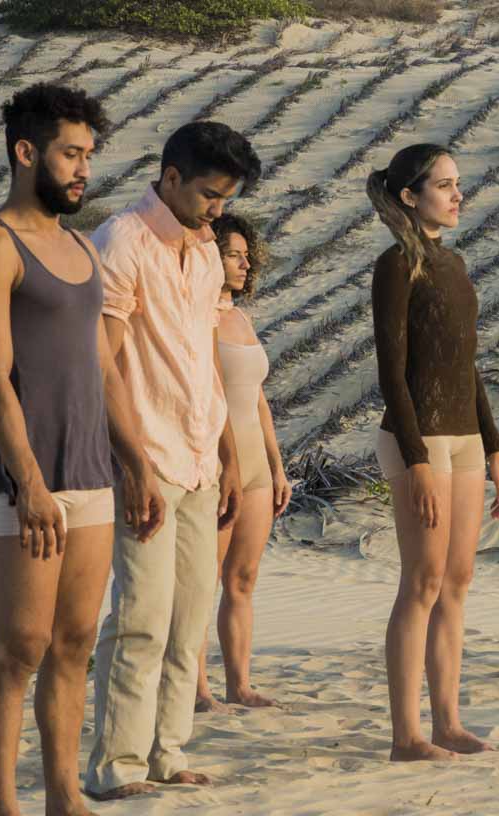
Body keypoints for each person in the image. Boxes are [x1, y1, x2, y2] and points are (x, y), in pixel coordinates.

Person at [0, 82, 164, 816]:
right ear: (26, 152)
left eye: (88, 156)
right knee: (20, 649)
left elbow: (102, 366)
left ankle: (64, 797)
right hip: (22, 478)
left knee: (74, 641)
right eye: (71, 154)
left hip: (89, 472)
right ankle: (4, 808)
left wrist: (136, 461)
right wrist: (30, 483)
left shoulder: (79, 246)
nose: (84, 170)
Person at [84, 121, 261, 800]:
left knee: (189, 619)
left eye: (226, 199)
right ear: (171, 177)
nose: (216, 210)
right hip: (147, 454)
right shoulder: (122, 240)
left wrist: (226, 450)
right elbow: (101, 361)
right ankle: (117, 766)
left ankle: (166, 752)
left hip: (200, 455)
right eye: (209, 195)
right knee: (141, 618)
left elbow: (205, 357)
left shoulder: (208, 249)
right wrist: (132, 465)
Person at [367, 143, 499, 761]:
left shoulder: (453, 264)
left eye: (458, 183)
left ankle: (448, 723)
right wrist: (417, 459)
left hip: (465, 438)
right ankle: (407, 736)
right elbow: (392, 373)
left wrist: (495, 449)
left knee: (456, 581)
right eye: (445, 185)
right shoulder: (396, 266)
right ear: (410, 196)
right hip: (418, 439)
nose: (458, 195)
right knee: (422, 581)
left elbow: (465, 364)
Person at [195, 213, 292, 712]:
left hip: (256, 469)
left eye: (245, 255)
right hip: (217, 466)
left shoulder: (241, 318)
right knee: (203, 582)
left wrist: (277, 468)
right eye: (233, 255)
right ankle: (198, 689)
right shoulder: (199, 317)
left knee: (243, 579)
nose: (244, 263)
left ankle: (240, 684)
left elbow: (257, 399)